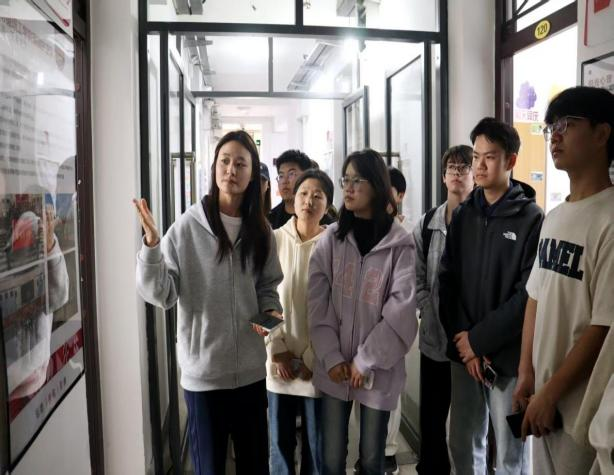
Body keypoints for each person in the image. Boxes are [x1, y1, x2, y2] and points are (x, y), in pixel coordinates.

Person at [134, 130, 284, 475]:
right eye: (225, 161)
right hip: (204, 379)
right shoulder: (187, 228)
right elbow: (162, 293)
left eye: (241, 164)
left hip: (250, 374)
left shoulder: (261, 230)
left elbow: (268, 285)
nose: (231, 170)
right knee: (210, 468)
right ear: (214, 168)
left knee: (255, 467)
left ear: (253, 174)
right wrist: (152, 246)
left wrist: (270, 310)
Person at [512, 86, 614, 474]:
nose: (554, 135)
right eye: (551, 126)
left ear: (602, 134)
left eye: (566, 124)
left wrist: (552, 392)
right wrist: (526, 374)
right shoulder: (554, 217)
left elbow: (603, 326)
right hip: (542, 403)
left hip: (582, 408)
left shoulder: (609, 218)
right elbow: (535, 297)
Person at [439, 117, 543, 474]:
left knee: (511, 452)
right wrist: (465, 342)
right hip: (465, 353)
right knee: (463, 442)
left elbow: (528, 295)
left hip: (508, 358)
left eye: (490, 157)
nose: (479, 166)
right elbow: (448, 281)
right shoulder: (464, 215)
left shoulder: (531, 218)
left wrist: (479, 341)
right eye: (476, 157)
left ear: (511, 160)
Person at [308, 149, 418, 475]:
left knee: (372, 459)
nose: (349, 187)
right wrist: (331, 357)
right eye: (346, 179)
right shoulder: (331, 239)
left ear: (377, 185)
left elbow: (401, 311)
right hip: (335, 368)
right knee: (331, 460)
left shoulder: (400, 243)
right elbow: (317, 304)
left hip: (378, 370)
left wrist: (364, 360)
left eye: (357, 180)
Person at [266, 169, 335, 475]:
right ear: (293, 200)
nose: (309, 201)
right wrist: (276, 348)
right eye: (304, 193)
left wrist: (312, 357)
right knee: (279, 445)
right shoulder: (274, 240)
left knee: (316, 446)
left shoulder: (334, 247)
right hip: (277, 362)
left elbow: (337, 308)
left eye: (318, 195)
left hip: (316, 364)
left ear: (327, 205)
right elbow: (261, 296)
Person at [412, 146, 474, 474]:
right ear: (442, 176)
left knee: (469, 422)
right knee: (432, 418)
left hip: (471, 342)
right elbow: (416, 275)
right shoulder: (427, 224)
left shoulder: (483, 221)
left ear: (474, 175)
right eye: (452, 167)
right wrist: (427, 308)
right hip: (434, 339)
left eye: (464, 168)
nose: (457, 173)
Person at [268, 150, 334, 229]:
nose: (285, 181)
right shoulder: (270, 219)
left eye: (291, 174)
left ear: (306, 176)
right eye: (281, 176)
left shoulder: (328, 226)